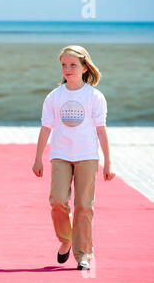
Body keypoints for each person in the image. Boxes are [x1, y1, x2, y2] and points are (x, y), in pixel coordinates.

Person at [32, 45, 116, 270]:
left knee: (83, 206)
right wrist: (38, 157)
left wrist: (108, 161)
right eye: (63, 65)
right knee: (57, 200)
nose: (67, 69)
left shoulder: (94, 96)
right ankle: (66, 238)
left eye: (72, 65)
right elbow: (45, 127)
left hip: (87, 156)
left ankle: (84, 254)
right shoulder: (54, 96)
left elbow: (101, 129)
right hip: (60, 154)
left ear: (84, 67)